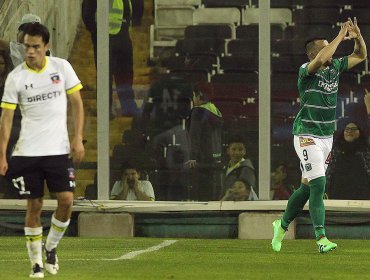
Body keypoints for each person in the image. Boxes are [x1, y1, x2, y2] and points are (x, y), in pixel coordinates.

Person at [271, 18, 367, 254]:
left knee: (306, 187)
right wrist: (339, 34)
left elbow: (361, 55)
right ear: (314, 52)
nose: (332, 50)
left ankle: (280, 225)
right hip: (306, 134)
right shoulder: (306, 71)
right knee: (319, 183)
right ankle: (321, 238)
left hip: (326, 137)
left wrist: (357, 36)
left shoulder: (335, 67)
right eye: (326, 46)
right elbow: (322, 58)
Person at [0, 23, 84, 277]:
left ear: (46, 47)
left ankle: (51, 247)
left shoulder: (62, 68)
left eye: (36, 47)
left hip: (58, 150)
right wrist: (2, 154)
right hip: (27, 153)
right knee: (33, 205)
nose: (30, 52)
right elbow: (5, 118)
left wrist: (77, 137)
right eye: (27, 46)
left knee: (67, 200)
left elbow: (77, 104)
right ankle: (36, 263)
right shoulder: (16, 77)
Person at [82, 0, 140, 118]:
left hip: (123, 36)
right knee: (105, 76)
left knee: (125, 73)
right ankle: (105, 110)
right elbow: (87, 13)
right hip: (105, 37)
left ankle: (128, 106)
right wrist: (96, 32)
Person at [185, 85, 223, 201]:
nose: (193, 100)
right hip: (215, 158)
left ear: (199, 95)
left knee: (202, 196)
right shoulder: (215, 110)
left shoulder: (198, 111)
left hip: (202, 160)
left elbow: (194, 135)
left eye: (193, 96)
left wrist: (193, 156)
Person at [326, 121, 370, 199]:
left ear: (359, 132)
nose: (349, 131)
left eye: (353, 129)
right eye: (347, 129)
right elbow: (329, 172)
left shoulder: (366, 152)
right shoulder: (335, 151)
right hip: (337, 195)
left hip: (362, 196)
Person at [221, 134, 258, 200]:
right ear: (228, 151)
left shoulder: (247, 169)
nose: (237, 153)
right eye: (234, 149)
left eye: (240, 149)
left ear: (245, 151)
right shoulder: (224, 168)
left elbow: (243, 195)